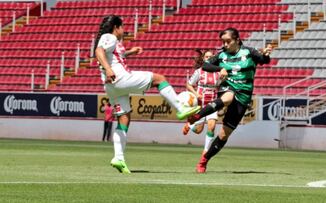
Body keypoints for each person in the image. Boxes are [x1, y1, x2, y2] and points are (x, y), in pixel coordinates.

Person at [95, 15, 200, 173]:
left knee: (124, 117)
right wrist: (109, 69)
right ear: (116, 27)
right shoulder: (108, 36)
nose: (124, 30)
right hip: (120, 78)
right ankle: (180, 108)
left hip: (111, 87)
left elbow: (115, 56)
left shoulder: (114, 43)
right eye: (122, 27)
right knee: (160, 79)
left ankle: (119, 158)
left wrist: (131, 52)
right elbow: (99, 50)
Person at [187, 27, 272, 173]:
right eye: (223, 42)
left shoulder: (249, 52)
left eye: (228, 41)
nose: (225, 45)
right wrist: (219, 69)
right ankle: (197, 116)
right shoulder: (221, 56)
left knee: (224, 134)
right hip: (228, 88)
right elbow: (206, 65)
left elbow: (264, 60)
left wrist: (266, 54)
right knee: (227, 97)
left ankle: (204, 160)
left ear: (237, 40)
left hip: (244, 95)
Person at [182, 49, 219, 156]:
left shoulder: (217, 72)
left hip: (212, 104)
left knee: (212, 126)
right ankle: (190, 125)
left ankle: (206, 151)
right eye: (207, 57)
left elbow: (221, 86)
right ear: (203, 59)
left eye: (211, 57)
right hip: (200, 104)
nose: (209, 59)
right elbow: (189, 85)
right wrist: (196, 93)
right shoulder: (199, 72)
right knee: (199, 130)